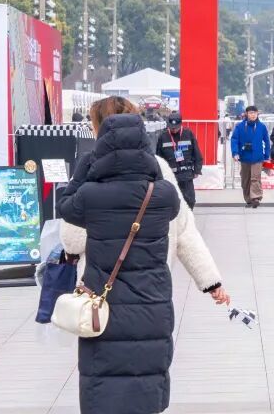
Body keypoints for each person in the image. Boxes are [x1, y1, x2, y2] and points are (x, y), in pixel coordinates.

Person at [57, 97, 230, 414]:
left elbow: (72, 239)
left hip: (101, 297)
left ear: (100, 129)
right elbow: (185, 229)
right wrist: (211, 281)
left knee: (103, 381)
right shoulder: (159, 171)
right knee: (146, 379)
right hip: (152, 294)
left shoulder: (92, 173)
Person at [155, 111, 204, 209]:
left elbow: (197, 153)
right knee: (172, 201)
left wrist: (197, 170)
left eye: (176, 127)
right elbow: (158, 157)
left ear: (181, 124)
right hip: (170, 175)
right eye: (171, 127)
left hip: (186, 174)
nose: (173, 129)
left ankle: (188, 216)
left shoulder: (188, 134)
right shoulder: (163, 136)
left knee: (190, 200)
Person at [231, 105, 271, 208]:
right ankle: (248, 199)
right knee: (245, 179)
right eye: (250, 113)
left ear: (257, 114)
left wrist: (267, 156)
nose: (253, 115)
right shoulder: (240, 126)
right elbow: (234, 139)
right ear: (247, 114)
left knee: (255, 177)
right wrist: (235, 153)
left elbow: (267, 141)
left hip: (258, 157)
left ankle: (256, 198)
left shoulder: (262, 127)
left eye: (254, 113)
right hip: (244, 156)